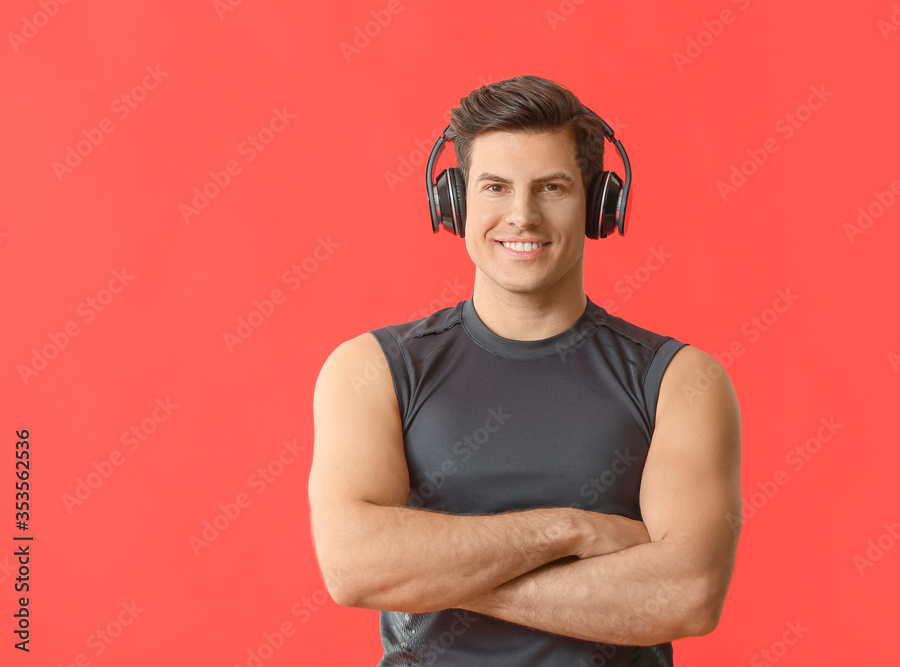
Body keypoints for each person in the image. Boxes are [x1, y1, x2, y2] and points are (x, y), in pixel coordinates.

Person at [308, 74, 741, 666]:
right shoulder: (372, 369)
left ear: (597, 201)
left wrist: (434, 576)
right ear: (455, 202)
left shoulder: (681, 382)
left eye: (552, 187)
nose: (521, 215)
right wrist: (571, 532)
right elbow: (353, 566)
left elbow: (687, 595)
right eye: (494, 187)